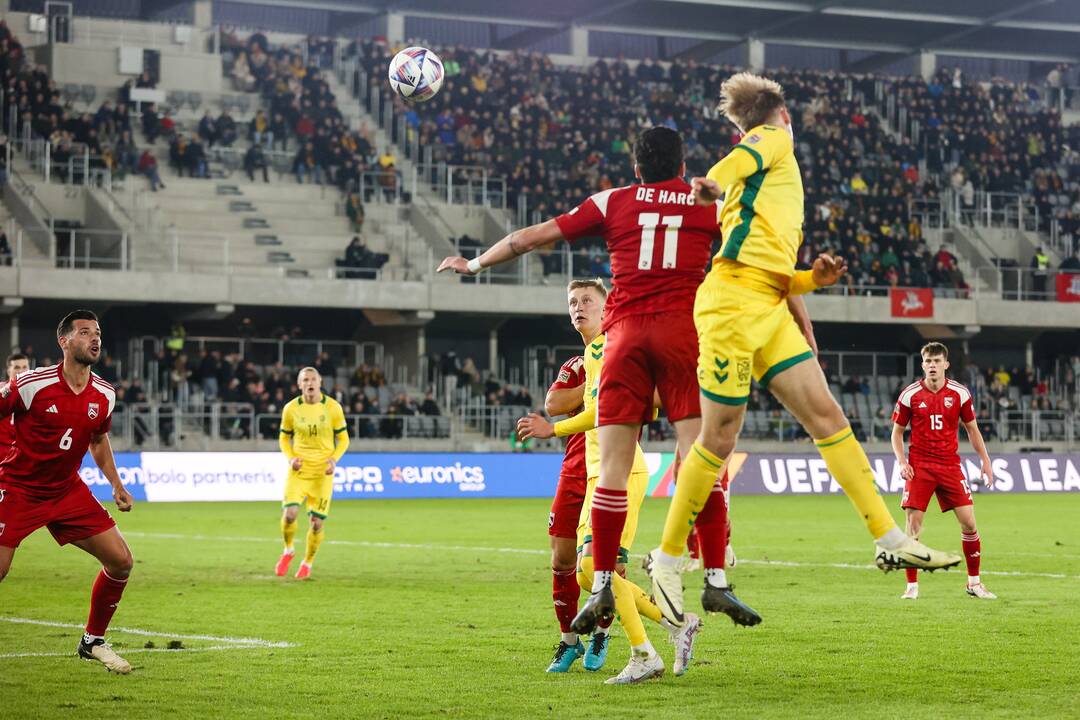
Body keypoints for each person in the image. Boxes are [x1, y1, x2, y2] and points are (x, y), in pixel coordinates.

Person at [648, 72, 963, 622]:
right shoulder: (774, 140)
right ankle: (668, 559)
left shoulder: (771, 184)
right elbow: (740, 157)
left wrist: (812, 279)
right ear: (783, 114)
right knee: (716, 439)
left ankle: (887, 535)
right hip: (729, 307)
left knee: (827, 415)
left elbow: (768, 269)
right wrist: (713, 182)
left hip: (766, 302)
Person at [438, 126, 764, 632]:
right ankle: (717, 576)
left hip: (625, 339)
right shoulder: (706, 199)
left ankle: (600, 589)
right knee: (700, 458)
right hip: (683, 335)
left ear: (636, 167)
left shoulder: (613, 201)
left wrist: (474, 263)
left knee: (611, 469)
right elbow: (760, 248)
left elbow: (530, 238)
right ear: (682, 167)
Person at [517, 279, 702, 684]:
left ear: (608, 307)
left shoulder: (611, 347)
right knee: (588, 573)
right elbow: (598, 406)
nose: (578, 307)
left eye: (587, 300)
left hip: (620, 472)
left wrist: (554, 428)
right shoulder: (594, 351)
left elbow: (605, 409)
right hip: (599, 471)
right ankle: (676, 624)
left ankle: (644, 654)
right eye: (572, 302)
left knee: (593, 567)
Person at [0, 310, 136, 673]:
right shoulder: (32, 384)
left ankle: (93, 641)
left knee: (121, 561)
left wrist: (116, 484)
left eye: (98, 333)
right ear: (65, 341)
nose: (95, 339)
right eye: (86, 332)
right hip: (19, 489)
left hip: (66, 491)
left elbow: (98, 439)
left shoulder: (104, 393)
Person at [892, 343, 996, 601]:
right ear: (922, 364)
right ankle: (911, 587)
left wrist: (985, 460)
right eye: (928, 361)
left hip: (950, 466)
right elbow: (896, 433)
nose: (932, 365)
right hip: (920, 467)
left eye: (937, 361)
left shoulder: (960, 393)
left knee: (969, 523)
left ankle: (974, 583)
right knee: (913, 526)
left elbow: (972, 429)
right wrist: (903, 462)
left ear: (946, 364)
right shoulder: (910, 395)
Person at [274, 367, 349, 580]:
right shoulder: (291, 409)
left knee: (316, 523)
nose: (310, 383)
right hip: (298, 472)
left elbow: (344, 439)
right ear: (299, 385)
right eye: (305, 380)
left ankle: (307, 562)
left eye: (313, 379)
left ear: (320, 382)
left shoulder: (333, 407)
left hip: (322, 474)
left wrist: (334, 459)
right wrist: (290, 458)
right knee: (289, 515)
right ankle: (288, 550)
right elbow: (283, 438)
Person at [0, 352, 30, 449]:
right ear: (9, 371)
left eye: (25, 367)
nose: (21, 371)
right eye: (17, 367)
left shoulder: (37, 393)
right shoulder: (1, 388)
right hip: (3, 452)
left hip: (24, 452)